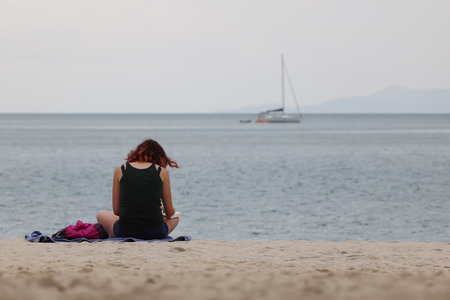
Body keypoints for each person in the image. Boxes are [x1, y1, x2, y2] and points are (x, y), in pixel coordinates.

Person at [97, 139, 179, 239]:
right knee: (175, 218)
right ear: (160, 157)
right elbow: (170, 213)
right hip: (155, 232)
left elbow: (117, 211)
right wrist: (160, 209)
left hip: (125, 231)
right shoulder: (162, 172)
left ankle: (112, 235)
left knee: (101, 214)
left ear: (137, 153)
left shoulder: (121, 170)